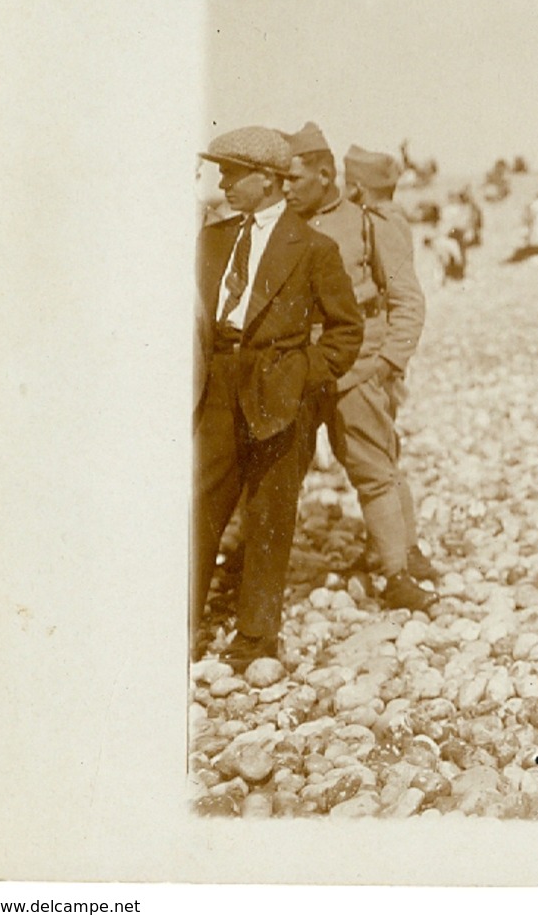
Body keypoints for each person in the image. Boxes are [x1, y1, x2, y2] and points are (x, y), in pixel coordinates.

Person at [193, 126, 363, 670]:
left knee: (269, 512)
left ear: (266, 181)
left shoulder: (314, 247)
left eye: (231, 173)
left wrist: (299, 376)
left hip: (277, 389)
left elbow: (346, 332)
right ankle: (174, 623)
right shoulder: (212, 239)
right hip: (216, 384)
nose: (222, 183)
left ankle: (256, 635)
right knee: (199, 505)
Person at [284, 125, 437, 611]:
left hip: (361, 363)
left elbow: (406, 297)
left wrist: (389, 362)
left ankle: (396, 572)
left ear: (328, 175)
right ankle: (400, 551)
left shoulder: (368, 222)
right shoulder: (287, 221)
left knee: (374, 465)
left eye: (295, 178)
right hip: (305, 363)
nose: (287, 188)